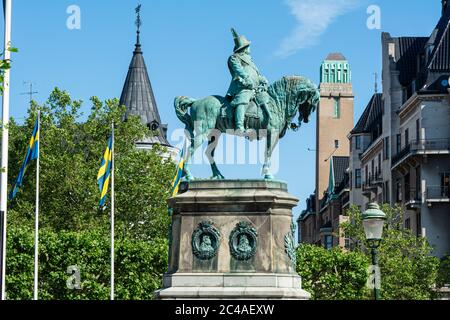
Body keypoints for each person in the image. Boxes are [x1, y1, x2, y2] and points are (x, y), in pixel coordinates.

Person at [226, 28, 271, 135]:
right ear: (244, 48)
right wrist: (247, 78)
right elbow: (239, 70)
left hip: (254, 87)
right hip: (242, 86)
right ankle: (239, 126)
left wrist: (262, 79)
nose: (250, 48)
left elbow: (255, 74)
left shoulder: (250, 60)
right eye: (248, 46)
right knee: (243, 99)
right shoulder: (234, 58)